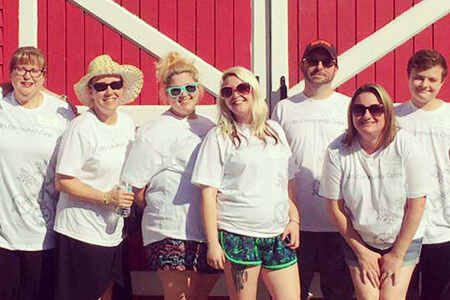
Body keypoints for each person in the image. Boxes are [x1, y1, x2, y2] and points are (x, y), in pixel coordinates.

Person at [192, 66, 301, 300]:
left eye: (242, 88)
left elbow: (287, 180)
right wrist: (213, 243)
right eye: (227, 91)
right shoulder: (219, 137)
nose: (235, 95)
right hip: (238, 233)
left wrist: (294, 219)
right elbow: (208, 194)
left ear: (254, 91)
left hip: (278, 234)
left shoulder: (275, 131)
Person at [120, 52, 220, 299]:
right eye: (175, 91)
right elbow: (135, 188)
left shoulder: (209, 127)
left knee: (199, 295)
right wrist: (158, 210)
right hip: (171, 228)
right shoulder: (154, 131)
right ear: (165, 94)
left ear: (199, 89)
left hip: (206, 228)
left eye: (189, 87)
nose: (183, 94)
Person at [320, 83, 428, 300]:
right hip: (359, 237)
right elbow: (334, 208)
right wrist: (362, 252)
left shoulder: (406, 145)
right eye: (359, 110)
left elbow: (417, 203)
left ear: (387, 112)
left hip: (402, 238)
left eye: (375, 109)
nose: (367, 115)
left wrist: (397, 255)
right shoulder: (337, 150)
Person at [53, 54, 143, 300]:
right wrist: (106, 197)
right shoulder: (82, 128)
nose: (109, 91)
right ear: (91, 92)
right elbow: (62, 180)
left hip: (113, 230)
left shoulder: (126, 123)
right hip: (80, 230)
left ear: (122, 89)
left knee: (108, 292)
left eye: (115, 85)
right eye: (101, 86)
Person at [272, 39, 354, 299]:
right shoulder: (284, 108)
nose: (319, 66)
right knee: (289, 294)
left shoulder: (350, 107)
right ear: (302, 65)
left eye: (326, 62)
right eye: (313, 61)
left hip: (339, 220)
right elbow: (273, 160)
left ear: (335, 68)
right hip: (295, 222)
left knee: (338, 293)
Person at [0, 46, 74, 300]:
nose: (27, 76)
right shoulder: (1, 104)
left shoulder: (61, 112)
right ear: (10, 74)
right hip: (3, 234)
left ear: (44, 75)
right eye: (21, 69)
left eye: (34, 70)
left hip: (45, 232)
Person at [396, 50, 450, 300]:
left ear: (442, 81)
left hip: (442, 226)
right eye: (419, 77)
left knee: (436, 294)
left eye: (431, 79)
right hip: (400, 227)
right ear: (408, 77)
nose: (424, 84)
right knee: (401, 294)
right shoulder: (392, 117)